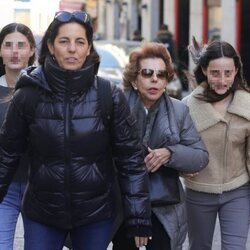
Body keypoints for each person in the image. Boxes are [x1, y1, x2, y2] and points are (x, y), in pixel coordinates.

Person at [0, 11, 151, 250]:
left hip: (95, 214)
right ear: (50, 46)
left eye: (80, 42)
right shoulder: (28, 95)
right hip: (42, 213)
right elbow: (6, 154)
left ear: (89, 47)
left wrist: (138, 217)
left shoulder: (108, 95)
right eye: (64, 41)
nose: (72, 49)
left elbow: (130, 159)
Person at [112, 42, 209, 250]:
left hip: (165, 208)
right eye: (147, 73)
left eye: (161, 74)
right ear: (135, 80)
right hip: (123, 206)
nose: (154, 79)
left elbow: (200, 156)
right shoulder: (116, 108)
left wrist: (170, 153)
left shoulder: (179, 110)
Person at [183, 37, 250, 250]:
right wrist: (181, 168)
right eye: (215, 73)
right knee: (199, 246)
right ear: (203, 70)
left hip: (238, 189)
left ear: (236, 71)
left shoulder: (247, 106)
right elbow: (175, 147)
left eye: (228, 73)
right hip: (199, 191)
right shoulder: (186, 107)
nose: (222, 80)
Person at [0, 22, 36, 250]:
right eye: (8, 45)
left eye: (21, 45)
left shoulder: (43, 89)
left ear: (32, 50)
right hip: (4, 186)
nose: (14, 51)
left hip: (39, 185)